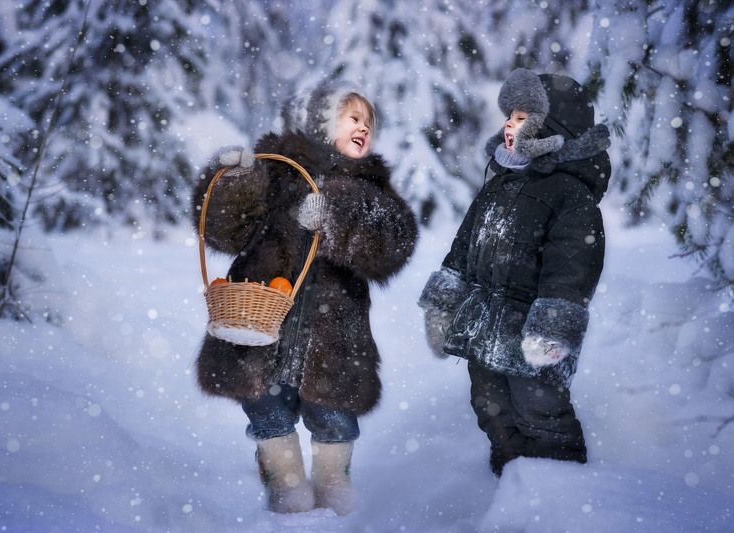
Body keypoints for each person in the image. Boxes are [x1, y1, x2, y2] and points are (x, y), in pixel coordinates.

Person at [192, 80, 418, 514]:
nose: (364, 128)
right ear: (320, 121)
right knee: (265, 404)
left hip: (335, 329)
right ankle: (284, 476)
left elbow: (394, 241)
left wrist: (338, 216)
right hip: (260, 314)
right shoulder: (275, 175)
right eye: (353, 117)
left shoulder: (371, 187)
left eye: (368, 122)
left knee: (333, 414)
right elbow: (224, 229)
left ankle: (333, 477)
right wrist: (234, 183)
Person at [418, 68, 611, 477]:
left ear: (553, 125)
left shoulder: (571, 196)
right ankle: (512, 482)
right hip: (482, 326)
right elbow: (463, 248)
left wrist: (553, 325)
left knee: (540, 409)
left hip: (531, 334)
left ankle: (562, 487)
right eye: (509, 116)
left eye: (522, 118)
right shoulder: (499, 184)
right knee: (490, 406)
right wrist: (443, 303)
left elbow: (572, 267)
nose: (509, 125)